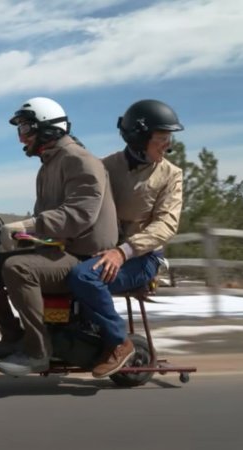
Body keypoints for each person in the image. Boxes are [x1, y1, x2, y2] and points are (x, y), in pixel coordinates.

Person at [0, 97, 118, 377]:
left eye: (27, 130)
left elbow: (79, 215)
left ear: (48, 129)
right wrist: (24, 236)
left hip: (85, 257)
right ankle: (13, 336)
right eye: (21, 131)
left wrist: (29, 225)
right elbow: (47, 222)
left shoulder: (80, 161)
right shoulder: (49, 166)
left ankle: (38, 351)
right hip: (62, 249)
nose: (21, 139)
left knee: (17, 269)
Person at [67, 99, 184, 379]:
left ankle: (120, 343)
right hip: (100, 251)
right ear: (139, 137)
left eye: (169, 139)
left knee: (85, 278)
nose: (168, 145)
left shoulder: (171, 175)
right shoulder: (106, 167)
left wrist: (123, 251)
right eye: (162, 139)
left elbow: (167, 223)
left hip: (141, 258)